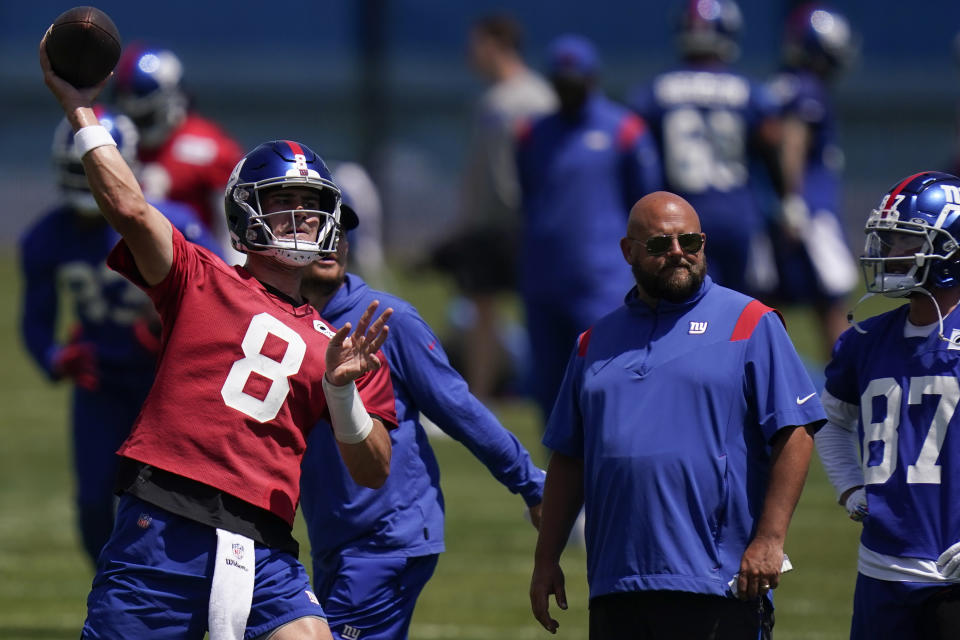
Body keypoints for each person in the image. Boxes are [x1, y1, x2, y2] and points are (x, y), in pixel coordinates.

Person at [40, 33, 397, 640]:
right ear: (245, 215)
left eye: (311, 206)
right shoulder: (198, 277)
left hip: (265, 543)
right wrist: (81, 110)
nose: (302, 218)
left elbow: (373, 470)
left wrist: (342, 395)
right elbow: (128, 208)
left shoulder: (346, 346)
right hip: (162, 525)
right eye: (283, 203)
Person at [529, 191, 825, 638]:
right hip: (617, 584)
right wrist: (546, 558)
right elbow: (570, 458)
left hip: (718, 584)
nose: (677, 254)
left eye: (690, 241)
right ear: (628, 251)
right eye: (659, 245)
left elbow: (796, 431)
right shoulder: (593, 343)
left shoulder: (750, 322)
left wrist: (769, 539)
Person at [298, 226, 546, 640]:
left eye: (339, 232)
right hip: (334, 540)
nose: (331, 243)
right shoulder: (285, 321)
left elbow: (461, 410)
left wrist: (532, 485)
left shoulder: (388, 321)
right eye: (317, 232)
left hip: (385, 541)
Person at [19, 107, 219, 565]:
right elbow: (35, 320)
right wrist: (54, 357)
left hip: (167, 382)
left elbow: (223, 294)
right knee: (93, 502)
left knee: (176, 498)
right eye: (77, 170)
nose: (86, 181)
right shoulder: (47, 238)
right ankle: (113, 588)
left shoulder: (175, 221)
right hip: (101, 383)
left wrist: (174, 329)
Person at [815, 171, 960, 640]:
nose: (887, 253)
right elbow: (831, 423)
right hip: (881, 569)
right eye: (888, 239)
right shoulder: (865, 339)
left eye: (904, 240)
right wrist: (848, 488)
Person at [516, 33, 661, 425]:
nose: (568, 93)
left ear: (592, 79)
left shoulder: (625, 130)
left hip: (601, 281)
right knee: (549, 386)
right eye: (561, 86)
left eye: (575, 84)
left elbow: (646, 203)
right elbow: (529, 194)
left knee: (605, 380)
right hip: (544, 279)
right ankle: (559, 480)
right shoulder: (532, 134)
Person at [430, 13, 557, 400]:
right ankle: (479, 397)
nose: (472, 53)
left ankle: (544, 387)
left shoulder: (537, 98)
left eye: (477, 44)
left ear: (497, 45)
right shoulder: (488, 102)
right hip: (488, 226)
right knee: (481, 309)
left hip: (526, 222)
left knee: (538, 309)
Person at [627, 0, 784, 298]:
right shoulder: (750, 91)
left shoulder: (653, 92)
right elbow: (772, 141)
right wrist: (787, 200)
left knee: (682, 304)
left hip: (676, 218)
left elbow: (637, 152)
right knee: (744, 307)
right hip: (737, 213)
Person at [766, 3, 859, 359]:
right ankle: (846, 391)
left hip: (780, 211)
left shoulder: (782, 85)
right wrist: (794, 201)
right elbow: (793, 141)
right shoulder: (806, 89)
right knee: (833, 303)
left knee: (769, 306)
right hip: (810, 211)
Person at [112, 43, 245, 262]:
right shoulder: (118, 143)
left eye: (145, 115)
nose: (135, 120)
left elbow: (233, 230)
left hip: (197, 269)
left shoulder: (210, 149)